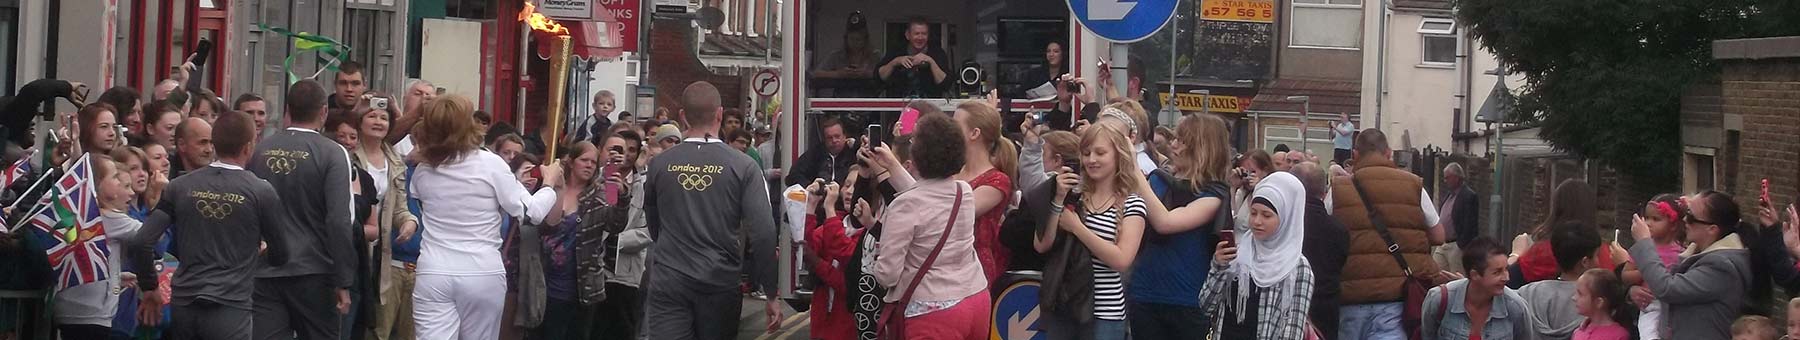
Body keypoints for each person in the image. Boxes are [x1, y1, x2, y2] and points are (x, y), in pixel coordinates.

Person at [406, 94, 560, 339]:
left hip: (434, 271)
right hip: (481, 271)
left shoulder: (423, 171)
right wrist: (550, 184)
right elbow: (532, 212)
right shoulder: (491, 164)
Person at [129, 110, 291, 340]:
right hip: (231, 305)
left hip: (185, 303)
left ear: (214, 144)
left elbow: (142, 241)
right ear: (249, 146)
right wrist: (255, 256)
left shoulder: (179, 186)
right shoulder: (260, 191)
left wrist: (149, 288)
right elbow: (281, 254)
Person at [641, 81, 780, 339]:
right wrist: (771, 291)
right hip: (719, 281)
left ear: (682, 116)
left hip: (669, 278)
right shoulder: (744, 166)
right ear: (720, 114)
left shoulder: (659, 164)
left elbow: (653, 220)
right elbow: (763, 232)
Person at [244, 80, 356, 339]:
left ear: (287, 109)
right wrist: (344, 278)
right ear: (324, 112)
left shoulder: (260, 150)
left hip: (265, 271)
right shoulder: (333, 153)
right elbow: (339, 220)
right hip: (314, 271)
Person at [874, 111, 990, 338]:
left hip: (932, 309)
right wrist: (891, 164)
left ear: (917, 155)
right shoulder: (963, 192)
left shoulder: (904, 206)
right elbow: (927, 197)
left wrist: (875, 263)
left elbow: (888, 274)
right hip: (976, 298)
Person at [1033, 120, 1145, 339]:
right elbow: (1042, 245)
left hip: (1105, 313)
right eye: (1086, 153)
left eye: (1100, 153)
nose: (1092, 159)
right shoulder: (1074, 196)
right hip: (1066, 304)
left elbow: (1121, 260)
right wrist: (1057, 199)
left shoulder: (1133, 203)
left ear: (1117, 155)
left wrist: (1077, 228)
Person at [1124, 114, 1232, 339]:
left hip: (1186, 299)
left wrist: (1135, 170)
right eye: (1175, 138)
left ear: (1201, 147)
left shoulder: (1213, 194)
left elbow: (1165, 222)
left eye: (1182, 140)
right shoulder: (1158, 180)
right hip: (1145, 292)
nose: (1173, 144)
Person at [1334, 128, 1448, 340]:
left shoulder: (1338, 189)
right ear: (1388, 153)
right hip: (1398, 297)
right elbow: (1439, 236)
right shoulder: (1414, 185)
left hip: (1350, 296)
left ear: (1355, 155)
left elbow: (1326, 237)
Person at [1197, 171, 1315, 338]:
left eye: (1267, 215)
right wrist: (1219, 266)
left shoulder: (1297, 267)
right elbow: (1206, 305)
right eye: (1253, 213)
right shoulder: (1238, 252)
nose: (1257, 221)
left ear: (1286, 218)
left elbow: (1293, 328)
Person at [1627, 191, 1753, 339]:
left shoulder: (1722, 266)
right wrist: (1633, 290)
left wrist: (1644, 243)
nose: (1685, 220)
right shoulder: (1697, 256)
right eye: (1687, 213)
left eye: (1692, 217)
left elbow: (1667, 289)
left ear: (1712, 229)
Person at [581, 130, 649, 340]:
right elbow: (607, 216)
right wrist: (607, 170)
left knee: (622, 329)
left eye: (631, 150)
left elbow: (648, 230)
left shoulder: (645, 185)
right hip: (595, 272)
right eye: (618, 149)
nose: (625, 154)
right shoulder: (599, 178)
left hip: (625, 273)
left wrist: (617, 241)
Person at [801, 165, 880, 340]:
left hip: (849, 325)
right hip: (822, 320)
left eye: (856, 186)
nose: (849, 191)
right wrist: (811, 206)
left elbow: (848, 279)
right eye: (847, 185)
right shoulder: (836, 222)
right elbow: (806, 247)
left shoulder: (871, 232)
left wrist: (829, 209)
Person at [531, 142, 599, 340]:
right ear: (571, 162)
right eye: (584, 160)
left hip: (580, 285)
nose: (589, 165)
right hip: (545, 280)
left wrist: (613, 176)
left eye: (593, 162)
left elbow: (615, 220)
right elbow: (542, 225)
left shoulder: (599, 192)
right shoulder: (551, 188)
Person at [1510, 180, 1627, 288]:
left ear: (1557, 208)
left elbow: (1507, 281)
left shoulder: (1540, 252)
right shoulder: (1605, 254)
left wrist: (1516, 254)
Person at [1421, 237, 1535, 340]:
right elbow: (1427, 334)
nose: (1506, 277)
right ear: (1475, 275)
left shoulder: (1515, 307)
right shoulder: (1440, 299)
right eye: (1497, 272)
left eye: (1506, 269)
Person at [953, 101, 1018, 283]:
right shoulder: (951, 172)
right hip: (944, 262)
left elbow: (958, 211)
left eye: (955, 126)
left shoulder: (997, 180)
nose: (949, 131)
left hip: (974, 267)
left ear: (975, 133)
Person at [1293, 161, 1350, 340]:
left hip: (1289, 306)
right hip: (1326, 308)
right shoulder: (1338, 229)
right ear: (1324, 192)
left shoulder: (1284, 225)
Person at [1519, 222, 1603, 340]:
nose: (1599, 261)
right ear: (1585, 262)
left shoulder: (1529, 293)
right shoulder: (1598, 300)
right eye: (1596, 255)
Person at [1622, 194, 1688, 340]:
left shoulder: (1681, 253)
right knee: (1648, 333)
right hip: (1649, 304)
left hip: (1670, 306)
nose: (1649, 223)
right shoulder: (1641, 248)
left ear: (1673, 225)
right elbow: (1625, 275)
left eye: (1656, 219)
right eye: (1647, 218)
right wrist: (1646, 270)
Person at [813, 11, 881, 98]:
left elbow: (886, 74)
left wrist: (866, 74)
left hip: (867, 106)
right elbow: (816, 73)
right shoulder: (836, 56)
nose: (855, 43)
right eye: (852, 39)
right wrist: (839, 74)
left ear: (865, 39)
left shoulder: (875, 56)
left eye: (858, 39)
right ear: (846, 38)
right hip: (841, 107)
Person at [878, 17, 949, 98]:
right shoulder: (896, 51)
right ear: (907, 35)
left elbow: (946, 84)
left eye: (924, 34)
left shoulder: (937, 53)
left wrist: (931, 61)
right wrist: (895, 62)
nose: (920, 37)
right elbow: (880, 78)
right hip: (899, 107)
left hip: (930, 107)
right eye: (917, 33)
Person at [1432, 162, 1480, 273]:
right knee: (1435, 273)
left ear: (1457, 177)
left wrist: (1461, 244)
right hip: (1443, 243)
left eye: (1447, 177)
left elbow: (1470, 222)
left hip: (1456, 245)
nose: (1445, 181)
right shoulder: (1449, 195)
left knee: (1456, 276)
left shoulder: (1468, 196)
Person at [784, 116, 856, 187]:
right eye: (829, 138)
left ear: (844, 136)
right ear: (824, 140)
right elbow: (792, 176)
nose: (834, 140)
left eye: (837, 136)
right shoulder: (815, 153)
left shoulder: (852, 155)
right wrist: (811, 187)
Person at [1571, 269, 1633, 340]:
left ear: (1599, 302)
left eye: (1580, 294)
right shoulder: (1578, 331)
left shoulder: (1619, 335)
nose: (1574, 298)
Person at [389, 79, 438, 154]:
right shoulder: (392, 126)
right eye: (418, 94)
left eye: (428, 96)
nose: (424, 98)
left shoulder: (436, 132)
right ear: (404, 98)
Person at [1231, 150, 1273, 231]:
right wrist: (1233, 188)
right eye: (1245, 172)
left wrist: (1259, 188)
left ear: (1265, 171)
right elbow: (1231, 217)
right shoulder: (1242, 193)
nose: (1248, 177)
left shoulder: (1272, 193)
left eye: (1253, 172)